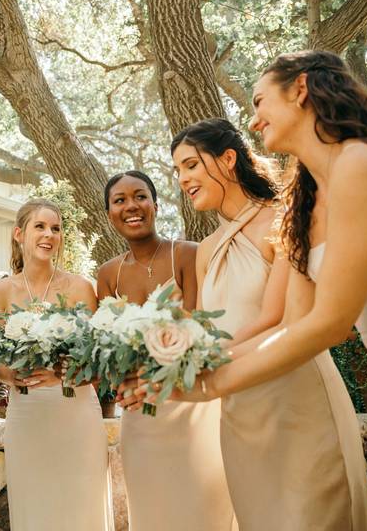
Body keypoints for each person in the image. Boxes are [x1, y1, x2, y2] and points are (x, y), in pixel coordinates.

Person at [178, 51, 367, 529]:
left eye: (260, 101)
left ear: (300, 89)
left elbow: (330, 323)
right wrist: (189, 372)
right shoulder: (306, 199)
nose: (254, 119)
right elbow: (294, 321)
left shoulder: (364, 162)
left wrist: (206, 385)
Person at [96, 171, 233, 531]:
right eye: (120, 200)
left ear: (155, 205)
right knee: (154, 511)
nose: (131, 207)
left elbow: (201, 328)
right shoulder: (107, 273)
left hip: (191, 404)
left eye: (140, 197)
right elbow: (108, 347)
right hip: (140, 412)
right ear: (110, 213)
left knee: (204, 509)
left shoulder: (187, 254)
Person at [0, 198, 113, 531]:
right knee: (35, 512)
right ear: (19, 234)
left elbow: (98, 361)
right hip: (27, 415)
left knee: (80, 511)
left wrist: (63, 373)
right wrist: (9, 374)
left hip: (76, 413)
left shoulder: (81, 288)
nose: (49, 235)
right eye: (40, 226)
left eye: (56, 228)